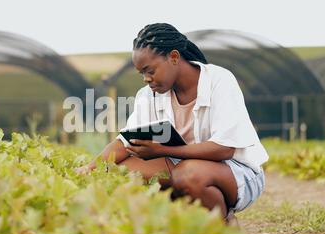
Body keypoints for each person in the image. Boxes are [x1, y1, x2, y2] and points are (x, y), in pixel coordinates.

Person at [76, 23, 269, 221]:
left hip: (236, 170)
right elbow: (125, 142)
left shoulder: (219, 80)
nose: (146, 79)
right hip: (181, 164)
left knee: (187, 175)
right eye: (142, 73)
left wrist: (161, 151)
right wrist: (89, 169)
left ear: (174, 57)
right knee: (120, 172)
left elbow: (224, 149)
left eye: (150, 70)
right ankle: (183, 223)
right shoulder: (148, 95)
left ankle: (221, 227)